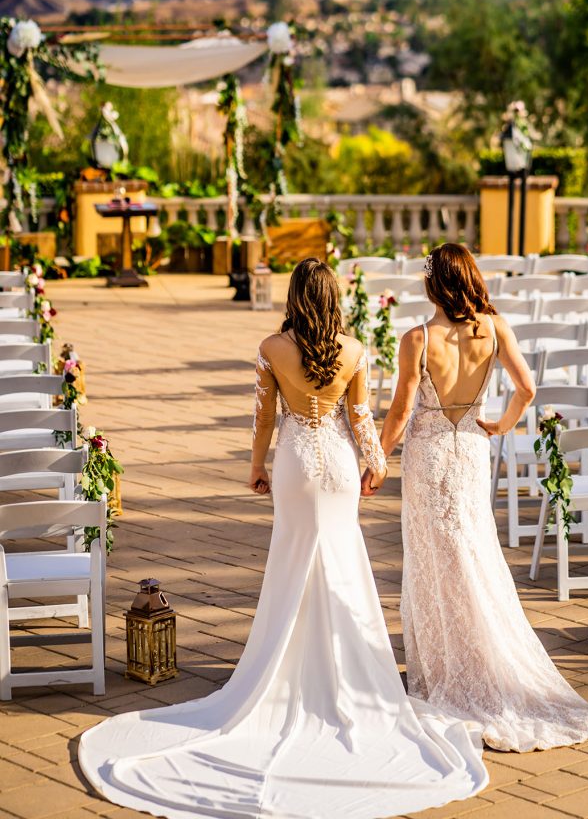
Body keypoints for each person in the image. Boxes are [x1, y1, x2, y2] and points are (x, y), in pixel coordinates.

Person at [79, 257, 488, 819]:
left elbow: (264, 418)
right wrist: (375, 463)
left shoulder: (273, 348)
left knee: (294, 561)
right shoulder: (355, 350)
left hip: (295, 465)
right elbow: (361, 415)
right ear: (333, 297)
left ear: (295, 296)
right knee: (342, 561)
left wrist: (256, 466)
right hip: (341, 467)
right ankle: (348, 675)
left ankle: (283, 668)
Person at [364, 243, 588, 752]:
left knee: (435, 559)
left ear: (433, 283)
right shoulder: (494, 329)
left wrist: (377, 458)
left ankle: (448, 667)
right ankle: (481, 654)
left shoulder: (418, 337)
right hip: (472, 452)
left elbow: (402, 409)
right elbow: (528, 387)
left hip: (429, 456)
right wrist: (501, 425)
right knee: (472, 550)